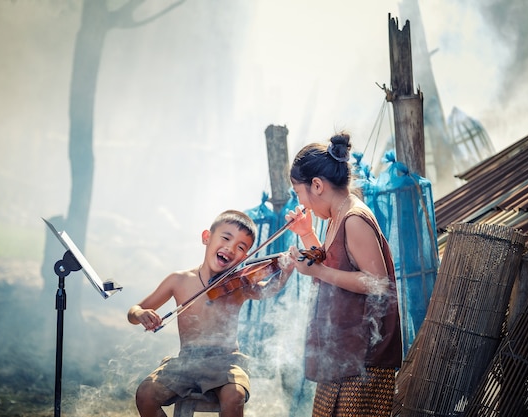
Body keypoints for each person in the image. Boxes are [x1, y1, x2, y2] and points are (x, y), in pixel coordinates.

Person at [128, 209, 293, 417]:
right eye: (226, 238)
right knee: (145, 394)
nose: (230, 248)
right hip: (187, 361)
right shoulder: (179, 280)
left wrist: (285, 272)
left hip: (225, 362)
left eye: (241, 247)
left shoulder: (239, 284)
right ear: (207, 237)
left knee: (234, 396)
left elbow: (267, 290)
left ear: (245, 256)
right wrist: (141, 314)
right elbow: (134, 311)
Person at [284, 133, 403, 417]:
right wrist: (306, 233)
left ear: (317, 185)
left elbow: (377, 283)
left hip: (364, 356)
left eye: (300, 194)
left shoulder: (354, 219)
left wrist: (320, 271)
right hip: (342, 351)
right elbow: (334, 263)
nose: (303, 204)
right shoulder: (335, 217)